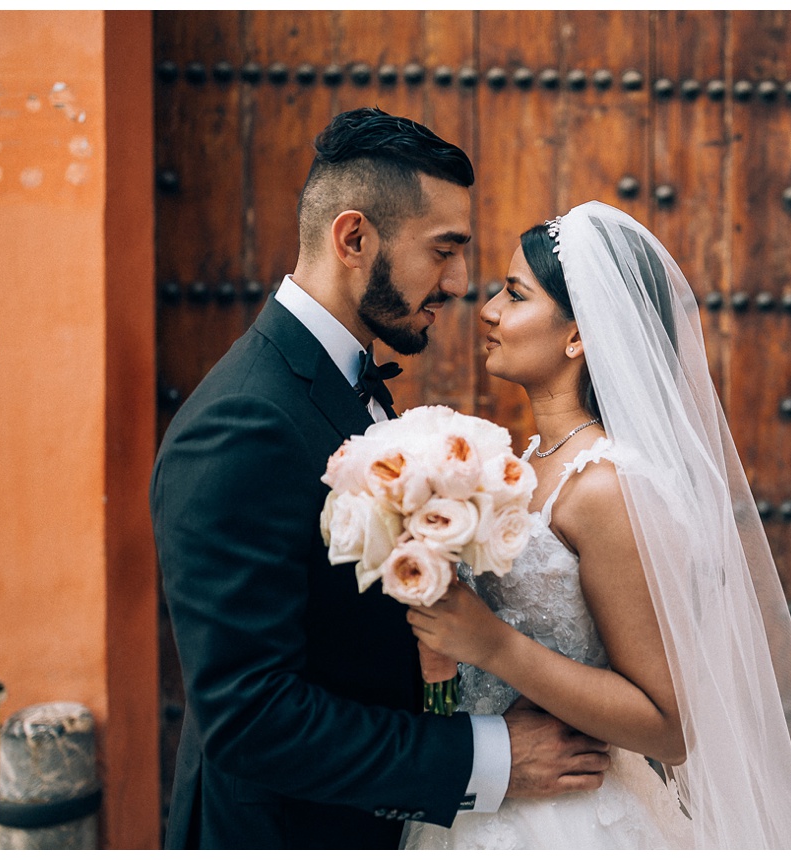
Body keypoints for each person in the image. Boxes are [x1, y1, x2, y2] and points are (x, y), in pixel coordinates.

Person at [149, 108, 610, 850]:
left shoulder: (341, 382)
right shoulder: (242, 422)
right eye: (445, 251)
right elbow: (250, 715)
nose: (461, 283)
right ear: (354, 238)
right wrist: (490, 757)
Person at [405, 201, 791, 849]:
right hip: (489, 799)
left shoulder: (605, 486)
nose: (489, 309)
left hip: (570, 821)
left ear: (579, 335)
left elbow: (667, 727)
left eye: (516, 294)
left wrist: (493, 645)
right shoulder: (524, 467)